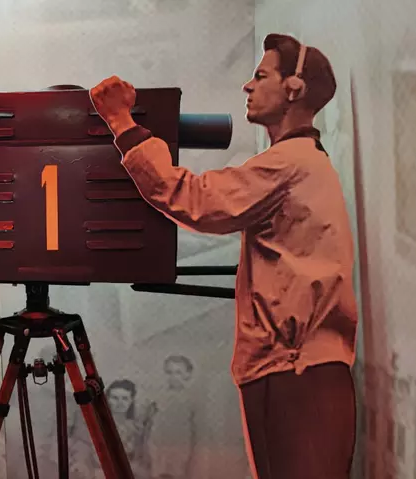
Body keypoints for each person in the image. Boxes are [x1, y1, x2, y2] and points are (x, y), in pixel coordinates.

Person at [90, 33, 358, 478]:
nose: (247, 86)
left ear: (294, 89)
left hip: (292, 372)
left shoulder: (289, 162)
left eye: (261, 76)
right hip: (299, 369)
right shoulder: (303, 160)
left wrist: (122, 123)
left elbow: (194, 199)